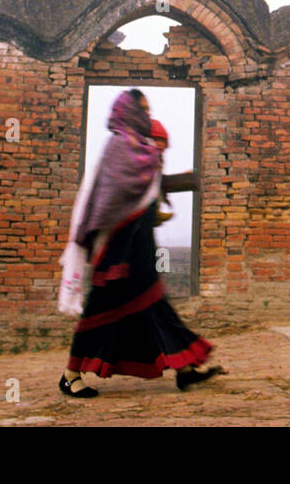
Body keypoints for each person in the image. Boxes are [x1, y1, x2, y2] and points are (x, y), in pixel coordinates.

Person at [57, 88, 222, 397]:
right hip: (117, 251)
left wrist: (171, 185)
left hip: (140, 246)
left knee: (155, 306)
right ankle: (70, 375)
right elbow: (111, 197)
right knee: (100, 311)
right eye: (143, 111)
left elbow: (144, 190)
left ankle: (185, 369)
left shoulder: (143, 151)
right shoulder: (119, 147)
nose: (148, 116)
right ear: (129, 113)